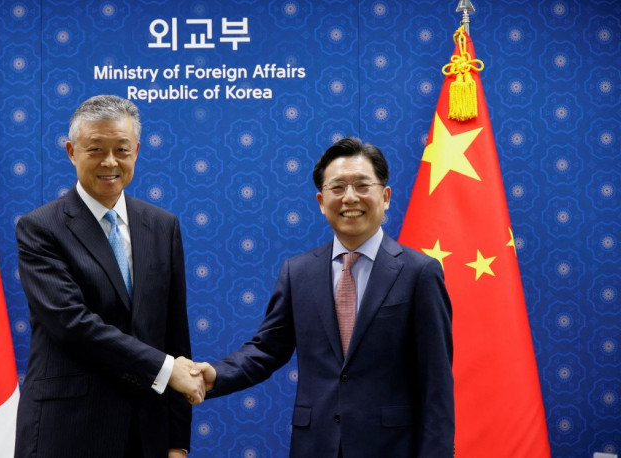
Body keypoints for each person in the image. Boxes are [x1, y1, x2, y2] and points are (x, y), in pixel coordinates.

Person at [192, 137, 454, 457]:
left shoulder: (420, 273)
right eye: (338, 187)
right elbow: (265, 350)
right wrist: (214, 375)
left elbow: (436, 385)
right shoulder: (298, 272)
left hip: (391, 448)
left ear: (385, 197)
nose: (350, 197)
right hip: (315, 446)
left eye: (361, 185)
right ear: (320, 200)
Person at [14, 95, 203, 458]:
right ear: (71, 151)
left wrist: (177, 441)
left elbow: (174, 334)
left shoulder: (162, 226)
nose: (110, 162)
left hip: (146, 432)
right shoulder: (40, 228)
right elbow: (72, 324)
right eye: (95, 149)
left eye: (122, 149)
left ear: (138, 150)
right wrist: (165, 369)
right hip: (68, 430)